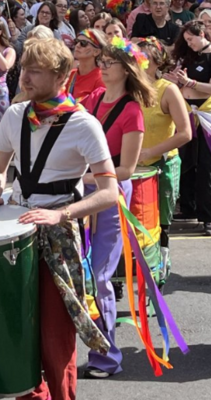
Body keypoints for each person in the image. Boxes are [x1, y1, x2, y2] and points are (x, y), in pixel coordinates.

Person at [0, 37, 118, 400]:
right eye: (24, 68)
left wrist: (61, 215)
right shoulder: (14, 114)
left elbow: (109, 192)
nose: (25, 78)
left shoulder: (84, 124)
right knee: (17, 329)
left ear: (62, 77)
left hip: (58, 233)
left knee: (56, 336)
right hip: (16, 230)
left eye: (36, 72)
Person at [80, 37, 155, 379]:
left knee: (99, 276)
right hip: (82, 193)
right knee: (78, 274)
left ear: (127, 70)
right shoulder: (93, 98)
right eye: (103, 60)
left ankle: (107, 356)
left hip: (109, 198)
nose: (103, 64)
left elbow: (126, 169)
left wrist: (88, 175)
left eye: (110, 61)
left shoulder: (132, 111)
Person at [137, 37, 193, 276]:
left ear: (157, 62)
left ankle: (161, 263)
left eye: (145, 57)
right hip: (133, 168)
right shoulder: (127, 89)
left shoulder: (167, 90)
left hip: (162, 165)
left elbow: (186, 133)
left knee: (160, 223)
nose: (139, 61)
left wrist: (151, 151)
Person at [167, 21, 211, 236]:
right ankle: (187, 207)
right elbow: (179, 82)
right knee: (184, 161)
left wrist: (189, 82)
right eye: (186, 41)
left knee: (205, 165)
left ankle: (207, 217)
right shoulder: (187, 57)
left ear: (201, 34)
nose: (189, 44)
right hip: (186, 109)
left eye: (191, 39)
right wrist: (174, 80)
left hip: (206, 113)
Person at [67, 29, 106, 100]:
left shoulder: (101, 78)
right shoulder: (71, 74)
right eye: (76, 42)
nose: (78, 45)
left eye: (83, 43)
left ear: (96, 52)